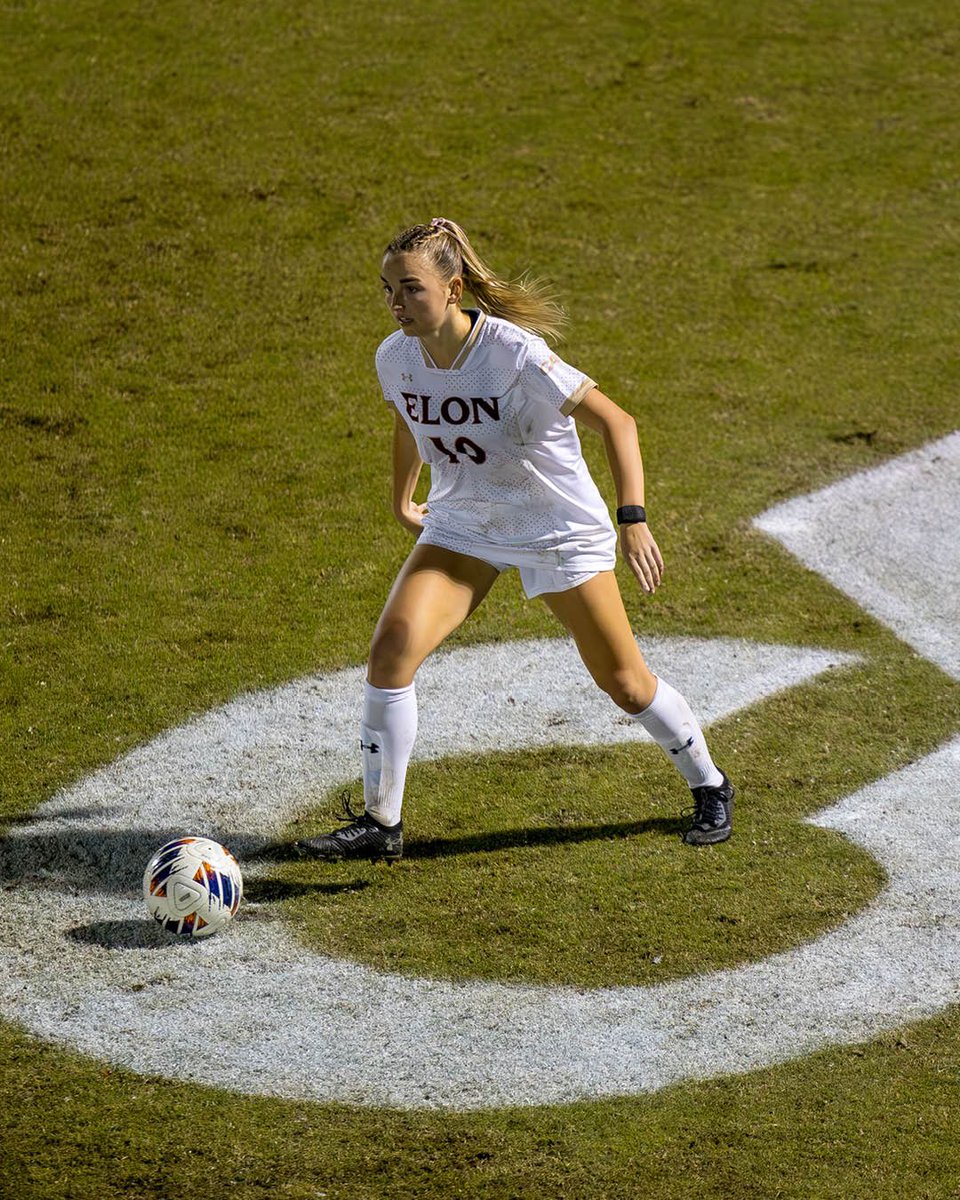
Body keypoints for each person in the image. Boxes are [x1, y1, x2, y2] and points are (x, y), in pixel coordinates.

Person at [297, 217, 734, 862]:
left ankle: (710, 783)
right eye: (387, 289)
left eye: (412, 288)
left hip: (555, 528)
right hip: (467, 522)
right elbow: (406, 419)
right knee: (391, 651)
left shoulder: (512, 353)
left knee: (626, 684)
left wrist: (632, 517)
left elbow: (619, 421)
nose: (397, 303)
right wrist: (400, 497)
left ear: (454, 286)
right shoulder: (395, 356)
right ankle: (381, 823)